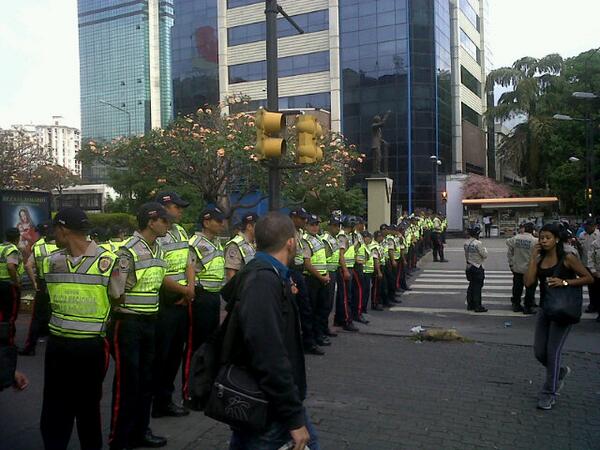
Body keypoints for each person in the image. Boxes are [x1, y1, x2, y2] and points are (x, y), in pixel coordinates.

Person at [228, 211, 319, 450]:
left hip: (270, 403)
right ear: (290, 242)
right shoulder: (263, 281)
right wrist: (292, 416)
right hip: (269, 408)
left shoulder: (271, 276)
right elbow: (268, 352)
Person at [40, 207, 122, 450]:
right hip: (58, 346)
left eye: (55, 228)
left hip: (90, 347)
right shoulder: (51, 261)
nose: (53, 234)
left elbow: (118, 297)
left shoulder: (108, 262)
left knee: (87, 409)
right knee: (55, 408)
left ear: (63, 229)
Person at [108, 203, 170, 450]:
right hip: (129, 323)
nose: (169, 224)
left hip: (150, 322)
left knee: (146, 381)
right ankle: (120, 438)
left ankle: (140, 432)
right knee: (127, 383)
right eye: (164, 221)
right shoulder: (128, 251)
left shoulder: (158, 249)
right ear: (151, 222)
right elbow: (116, 291)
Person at [524, 223, 593, 410]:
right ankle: (559, 372)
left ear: (556, 239)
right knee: (540, 351)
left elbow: (588, 278)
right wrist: (532, 258)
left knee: (553, 352)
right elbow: (529, 282)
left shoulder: (568, 258)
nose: (543, 241)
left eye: (547, 237)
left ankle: (549, 392)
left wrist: (564, 282)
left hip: (564, 310)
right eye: (541, 237)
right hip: (546, 309)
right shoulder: (539, 260)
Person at [152, 192, 195, 418]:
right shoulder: (157, 236)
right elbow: (157, 273)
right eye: (177, 207)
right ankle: (156, 401)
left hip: (182, 300)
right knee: (161, 355)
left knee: (175, 355)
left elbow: (189, 262)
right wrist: (184, 290)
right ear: (164, 207)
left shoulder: (179, 231)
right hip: (164, 301)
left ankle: (165, 400)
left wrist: (190, 288)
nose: (181, 211)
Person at [186, 207, 227, 404]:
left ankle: (205, 386)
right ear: (206, 222)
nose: (222, 224)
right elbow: (191, 269)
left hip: (213, 297)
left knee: (210, 343)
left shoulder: (216, 243)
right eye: (218, 221)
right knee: (197, 346)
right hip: (200, 298)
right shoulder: (195, 244)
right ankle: (192, 393)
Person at [20, 222, 58, 356]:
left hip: (43, 284)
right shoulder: (64, 245)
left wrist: (34, 282)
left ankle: (30, 347)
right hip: (60, 284)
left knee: (37, 317)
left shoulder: (38, 246)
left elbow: (28, 266)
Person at [289, 208, 323, 353]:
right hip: (291, 271)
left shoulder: (300, 233)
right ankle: (301, 342)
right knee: (297, 309)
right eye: (302, 219)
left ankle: (308, 341)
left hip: (299, 272)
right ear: (293, 218)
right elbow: (287, 257)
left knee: (305, 308)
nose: (305, 221)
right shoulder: (286, 233)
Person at [302, 214, 331, 349]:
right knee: (311, 310)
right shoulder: (305, 240)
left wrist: (327, 274)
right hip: (312, 279)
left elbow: (323, 259)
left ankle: (319, 335)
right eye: (312, 224)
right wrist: (321, 276)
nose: (315, 227)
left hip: (322, 278)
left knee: (321, 308)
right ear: (306, 225)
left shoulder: (318, 239)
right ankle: (312, 339)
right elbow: (307, 263)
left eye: (316, 224)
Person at [506, 222, 538, 314]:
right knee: (530, 288)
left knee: (517, 287)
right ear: (533, 230)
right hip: (530, 269)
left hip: (517, 268)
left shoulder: (516, 238)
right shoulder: (535, 240)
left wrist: (511, 263)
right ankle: (528, 306)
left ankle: (516, 305)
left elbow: (508, 243)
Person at [334, 217, 359, 332]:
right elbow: (341, 254)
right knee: (345, 296)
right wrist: (345, 270)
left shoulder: (347, 235)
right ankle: (346, 320)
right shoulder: (342, 236)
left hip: (349, 267)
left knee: (342, 295)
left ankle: (339, 319)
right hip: (345, 269)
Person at [0, 227, 24, 345]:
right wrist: (16, 282)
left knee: (2, 312)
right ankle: (8, 341)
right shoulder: (12, 249)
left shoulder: (1, 247)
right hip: (8, 286)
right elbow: (10, 266)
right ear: (17, 238)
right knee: (10, 314)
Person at [320, 216, 341, 337]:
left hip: (332, 271)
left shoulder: (334, 239)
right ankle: (322, 328)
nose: (337, 228)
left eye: (338, 226)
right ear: (330, 226)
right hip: (326, 272)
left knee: (329, 302)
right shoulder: (326, 239)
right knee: (325, 302)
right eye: (334, 226)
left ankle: (325, 327)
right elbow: (325, 257)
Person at [225, 212, 258, 281]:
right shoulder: (236, 244)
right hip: (241, 288)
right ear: (249, 227)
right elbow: (231, 273)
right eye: (258, 225)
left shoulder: (255, 244)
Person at [464, 225, 488, 313]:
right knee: (477, 287)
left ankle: (470, 304)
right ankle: (478, 306)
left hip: (469, 266)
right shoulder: (478, 243)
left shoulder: (466, 243)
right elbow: (484, 255)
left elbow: (466, 255)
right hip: (477, 266)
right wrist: (485, 249)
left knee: (471, 286)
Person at [579, 219, 600, 315]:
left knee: (597, 288)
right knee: (591, 288)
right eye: (585, 226)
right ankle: (592, 305)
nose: (586, 228)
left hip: (597, 266)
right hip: (586, 264)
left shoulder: (598, 235)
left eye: (588, 226)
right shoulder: (582, 235)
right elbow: (581, 249)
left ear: (594, 226)